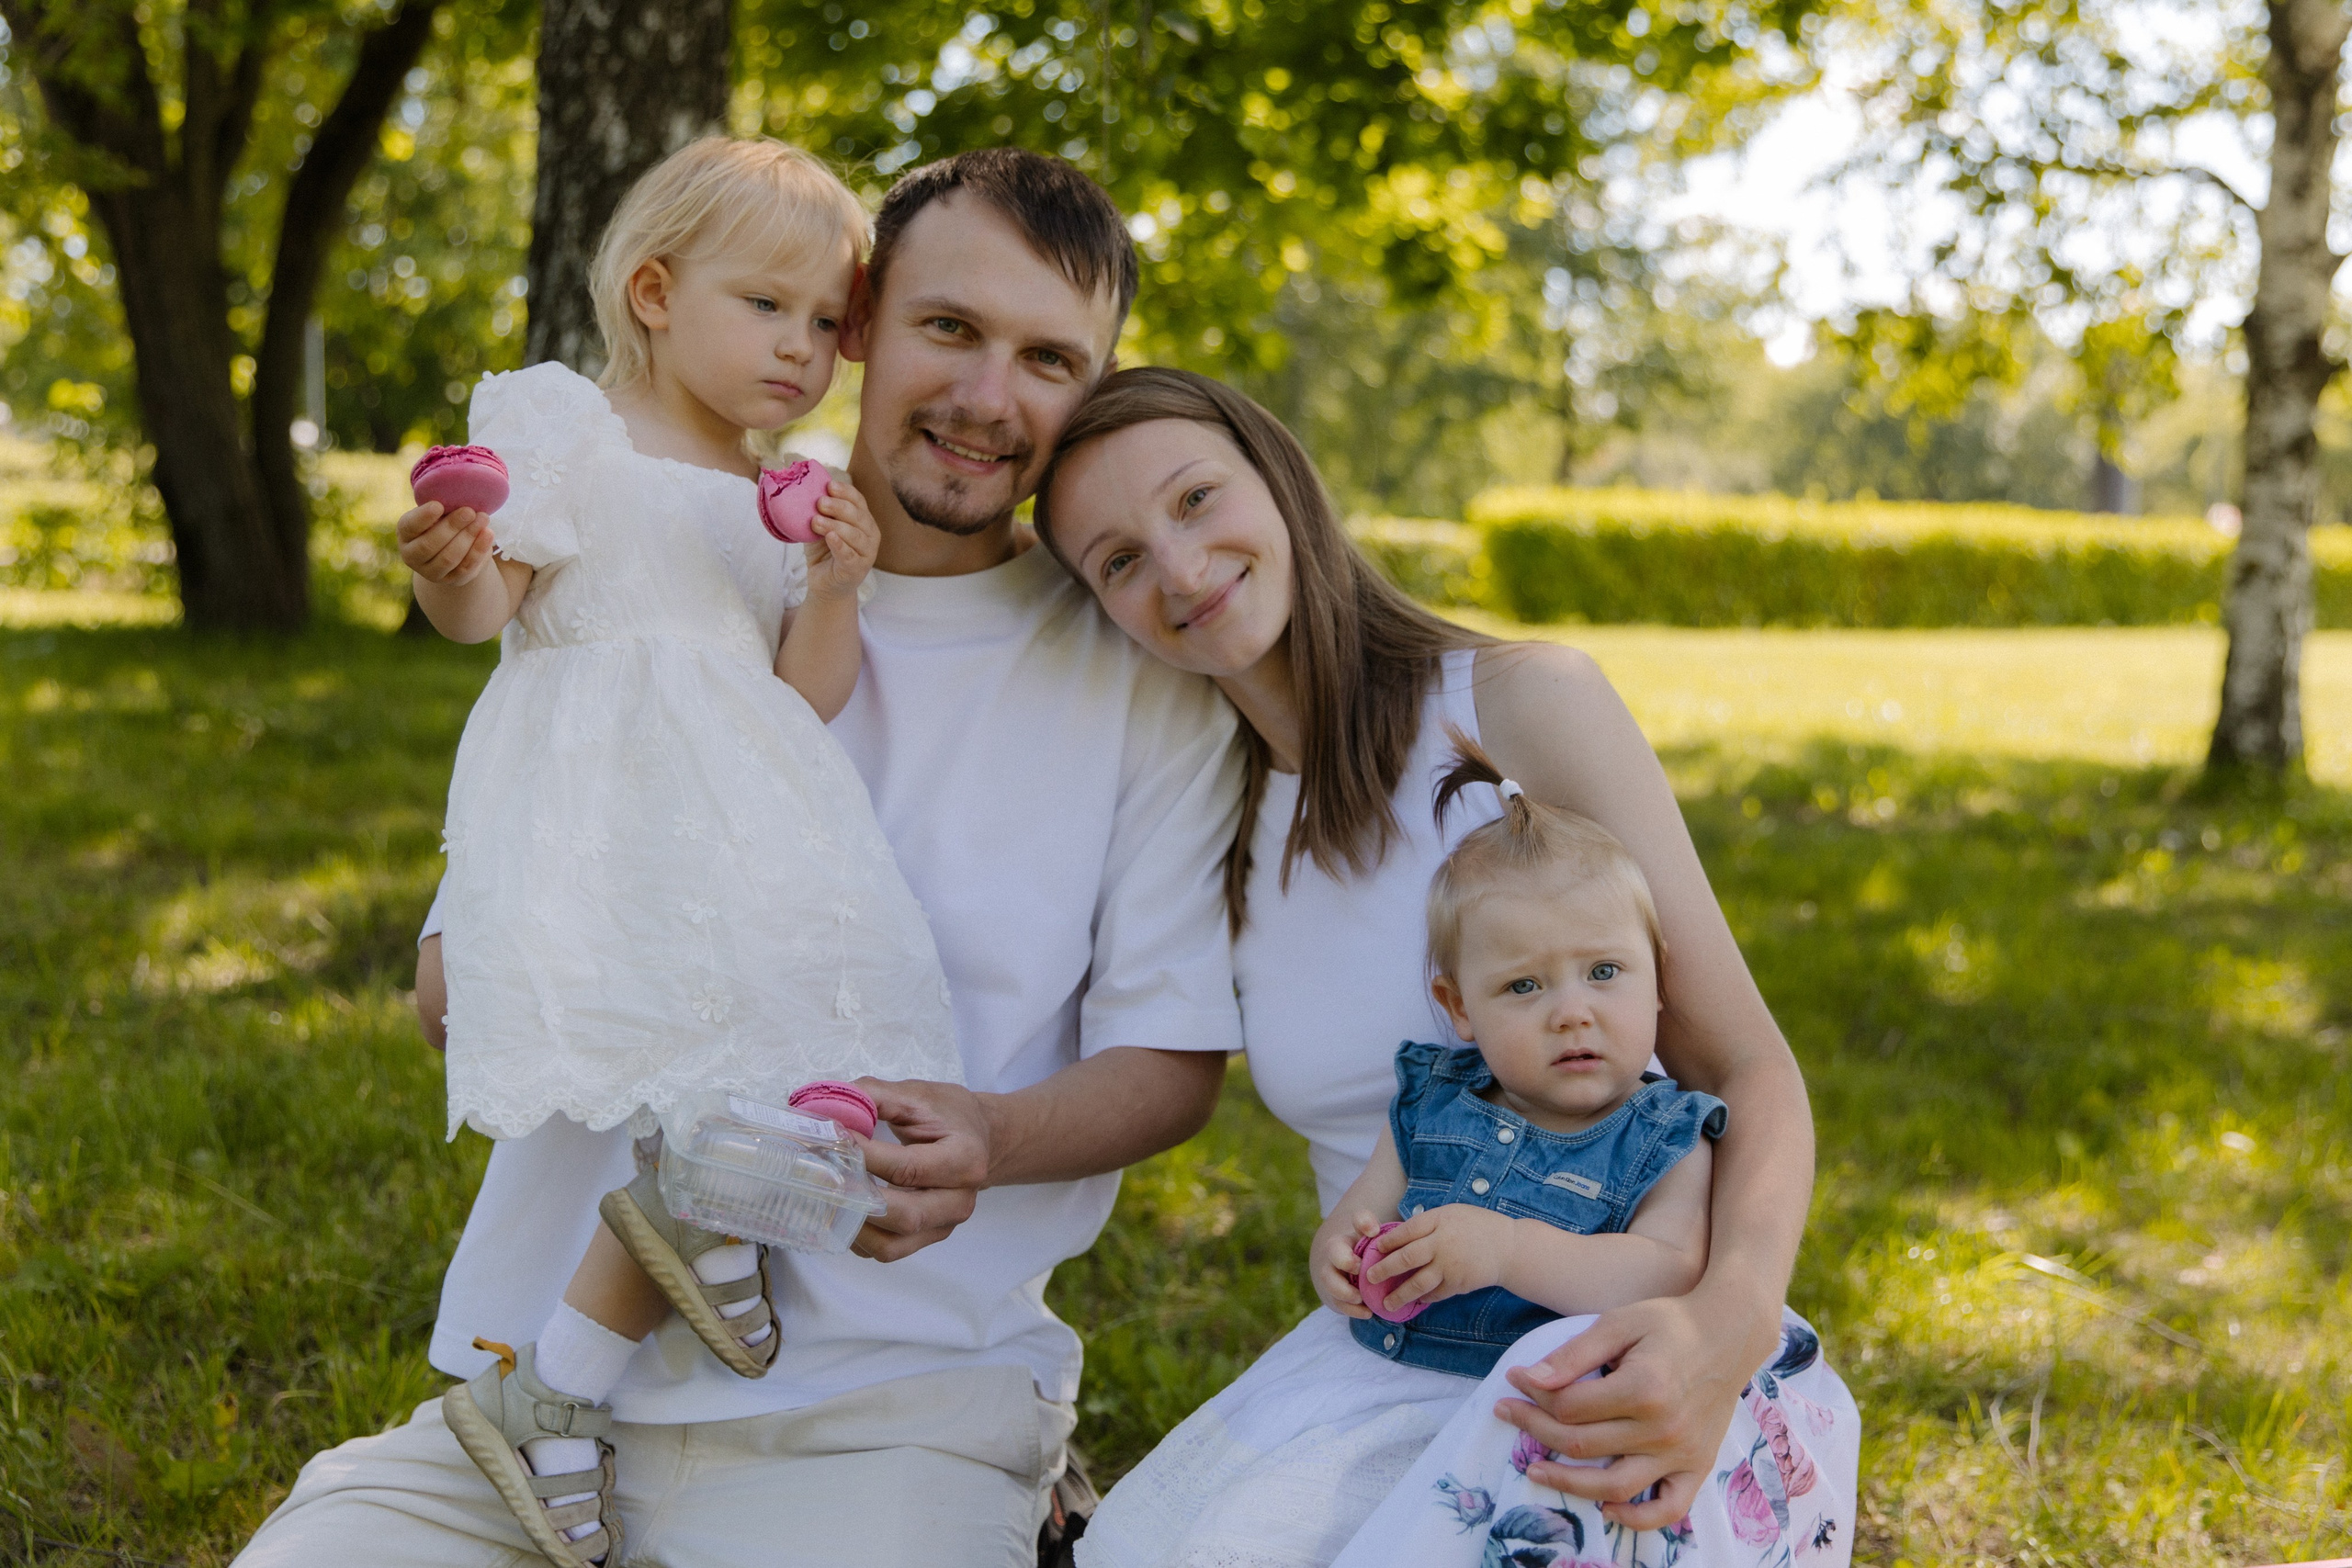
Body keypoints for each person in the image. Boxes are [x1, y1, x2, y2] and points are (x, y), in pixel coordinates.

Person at [236, 150, 1243, 1568]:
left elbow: (1171, 1061)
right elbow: (466, 977)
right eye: (949, 327)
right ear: (863, 324)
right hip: (531, 1404)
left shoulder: (1139, 679)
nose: (985, 395)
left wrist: (993, 1132)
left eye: (1048, 358)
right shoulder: (659, 570)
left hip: (887, 1415)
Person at [1033, 367, 1860, 1567]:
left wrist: (1724, 1326)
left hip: (1615, 1333)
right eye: (1117, 560)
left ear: (1280, 477)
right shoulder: (1205, 805)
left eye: (1197, 497)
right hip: (1386, 1363)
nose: (1178, 564)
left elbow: (1747, 1067)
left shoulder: (1519, 706)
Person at [390, 137, 966, 1565]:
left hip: (743, 817)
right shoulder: (571, 427)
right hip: (591, 806)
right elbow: (488, 609)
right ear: (654, 291)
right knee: (621, 1028)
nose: (802, 347)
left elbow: (805, 692)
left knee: (795, 1020)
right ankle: (622, 1300)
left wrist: (835, 582)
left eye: (825, 321)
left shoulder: (784, 492)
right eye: (766, 306)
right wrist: (451, 566)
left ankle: (595, 1336)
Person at [1077, 740, 1728, 1564]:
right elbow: (1365, 1206)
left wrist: (1510, 1250)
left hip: (1532, 1414)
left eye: (1604, 971)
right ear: (1459, 1008)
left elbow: (1669, 1269)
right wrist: (1339, 1252)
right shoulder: (1431, 1099)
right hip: (1375, 1384)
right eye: (1524, 985)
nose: (1572, 1011)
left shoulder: (1666, 1129)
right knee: (1238, 1529)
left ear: (1657, 980)